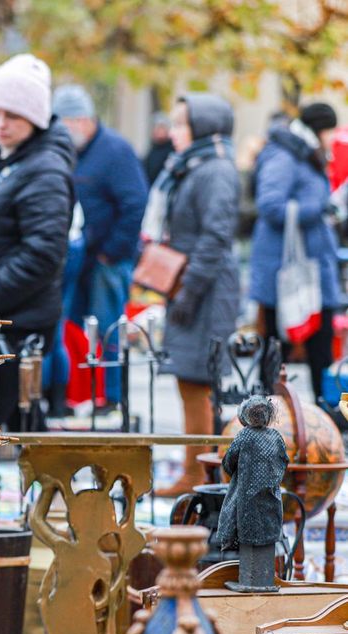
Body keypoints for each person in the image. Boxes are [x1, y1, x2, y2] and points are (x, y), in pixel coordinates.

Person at [0, 54, 75, 429]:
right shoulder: (4, 158)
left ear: (35, 118)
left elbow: (42, 255)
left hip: (14, 324)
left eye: (12, 115)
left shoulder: (45, 169)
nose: (0, 124)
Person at [144, 94, 240, 498]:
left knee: (197, 381)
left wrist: (189, 291)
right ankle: (194, 468)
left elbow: (215, 236)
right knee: (189, 380)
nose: (174, 130)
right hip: (191, 286)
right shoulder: (192, 166)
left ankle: (197, 474)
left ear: (204, 128)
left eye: (182, 123)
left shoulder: (215, 169)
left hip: (206, 289)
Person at [52, 85, 148, 410]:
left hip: (109, 259)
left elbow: (135, 204)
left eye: (64, 124)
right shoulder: (75, 152)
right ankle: (84, 392)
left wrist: (113, 251)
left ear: (83, 120)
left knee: (108, 328)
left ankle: (111, 397)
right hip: (83, 256)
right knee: (77, 327)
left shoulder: (115, 150)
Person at [250, 102, 342, 403]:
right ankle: (266, 414)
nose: (332, 138)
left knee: (319, 341)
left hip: (308, 268)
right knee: (280, 343)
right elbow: (270, 205)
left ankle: (326, 409)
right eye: (330, 131)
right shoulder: (286, 155)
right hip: (288, 271)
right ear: (318, 130)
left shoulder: (303, 152)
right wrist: (319, 208)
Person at [144, 112, 173, 186]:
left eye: (161, 127)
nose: (157, 131)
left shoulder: (172, 151)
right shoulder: (153, 149)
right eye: (156, 127)